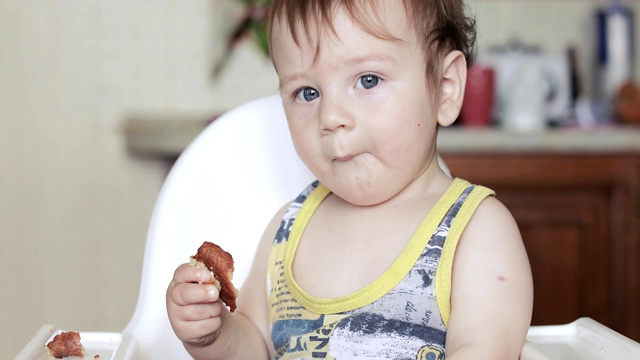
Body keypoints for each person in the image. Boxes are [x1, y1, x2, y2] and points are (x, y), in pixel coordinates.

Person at [166, 1, 534, 359]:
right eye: (307, 93)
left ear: (445, 87)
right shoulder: (286, 231)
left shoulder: (478, 232)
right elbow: (255, 347)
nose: (331, 116)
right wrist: (215, 336)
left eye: (368, 80)